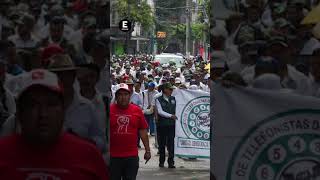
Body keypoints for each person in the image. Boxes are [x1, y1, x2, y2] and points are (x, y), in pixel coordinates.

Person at [0, 69, 109, 179]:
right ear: (19, 112)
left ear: (63, 110)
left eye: (51, 104)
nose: (43, 114)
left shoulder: (89, 157)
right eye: (32, 105)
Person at [48, 54, 106, 153]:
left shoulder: (87, 107)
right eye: (56, 75)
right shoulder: (44, 107)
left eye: (65, 75)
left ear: (73, 76)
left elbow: (101, 141)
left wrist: (82, 142)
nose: (60, 79)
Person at [110, 83, 151, 180]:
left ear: (130, 96)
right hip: (112, 157)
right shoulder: (109, 110)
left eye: (125, 94)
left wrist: (147, 150)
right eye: (120, 95)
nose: (123, 97)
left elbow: (143, 132)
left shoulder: (137, 110)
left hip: (131, 157)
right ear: (116, 97)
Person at [155, 82, 177, 168]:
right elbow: (160, 112)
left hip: (171, 125)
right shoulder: (158, 99)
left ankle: (171, 162)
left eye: (172, 89)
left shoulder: (174, 98)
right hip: (162, 125)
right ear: (165, 90)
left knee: (171, 144)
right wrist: (171, 116)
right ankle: (161, 161)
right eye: (170, 89)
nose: (171, 91)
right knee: (162, 144)